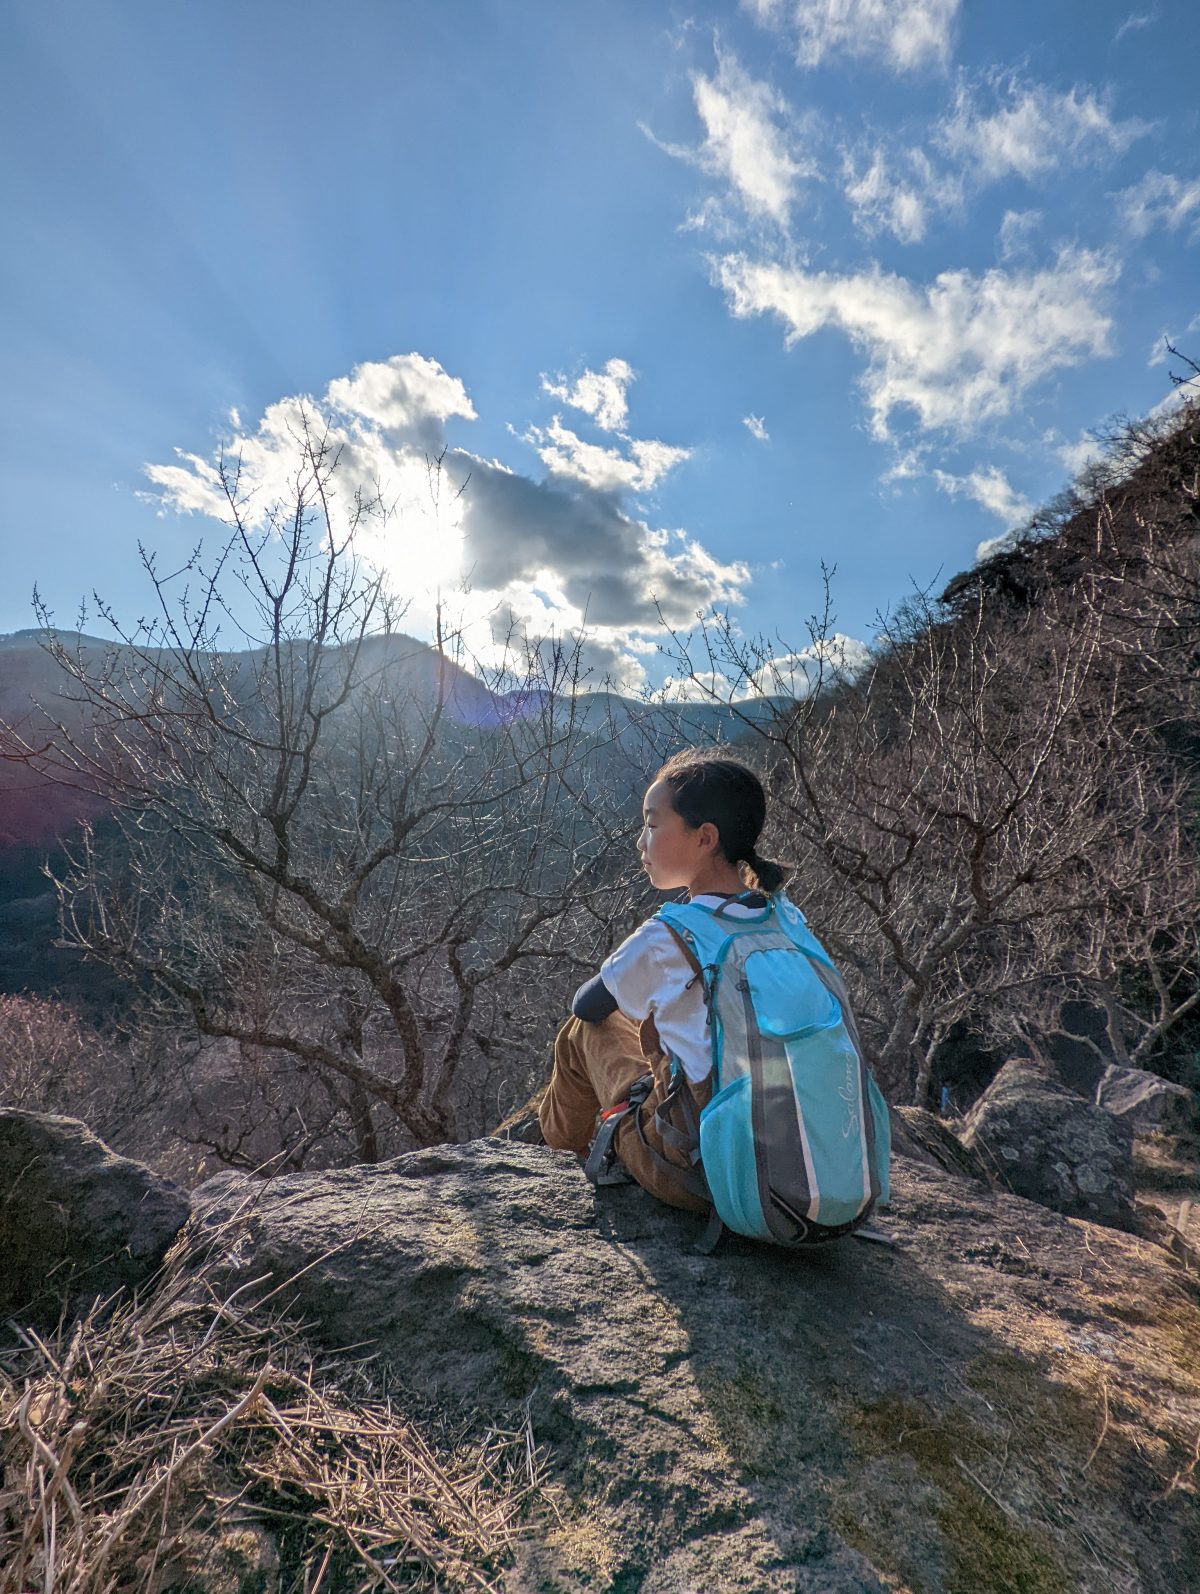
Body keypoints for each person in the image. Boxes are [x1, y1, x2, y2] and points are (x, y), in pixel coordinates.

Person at [538, 750, 788, 1211]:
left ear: (705, 838)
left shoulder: (671, 934)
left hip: (700, 1173)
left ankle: (556, 1160)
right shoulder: (786, 920)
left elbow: (588, 1005)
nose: (641, 841)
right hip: (796, 1164)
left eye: (652, 825)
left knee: (583, 1030)